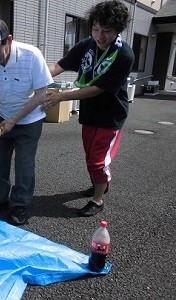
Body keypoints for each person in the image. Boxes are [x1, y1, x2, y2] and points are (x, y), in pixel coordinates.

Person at [43, 0, 135, 216]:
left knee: (98, 160)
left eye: (107, 31)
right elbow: (58, 67)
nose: (99, 36)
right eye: (95, 28)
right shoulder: (86, 45)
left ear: (118, 30)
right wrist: (34, 76)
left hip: (111, 115)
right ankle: (99, 184)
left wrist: (61, 97)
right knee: (90, 157)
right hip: (90, 113)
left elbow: (96, 89)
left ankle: (98, 199)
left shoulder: (124, 55)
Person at [0, 17, 53, 225]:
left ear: (8, 39)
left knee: (24, 164)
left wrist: (14, 120)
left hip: (30, 119)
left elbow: (41, 94)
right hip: (2, 116)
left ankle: (19, 204)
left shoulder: (32, 55)